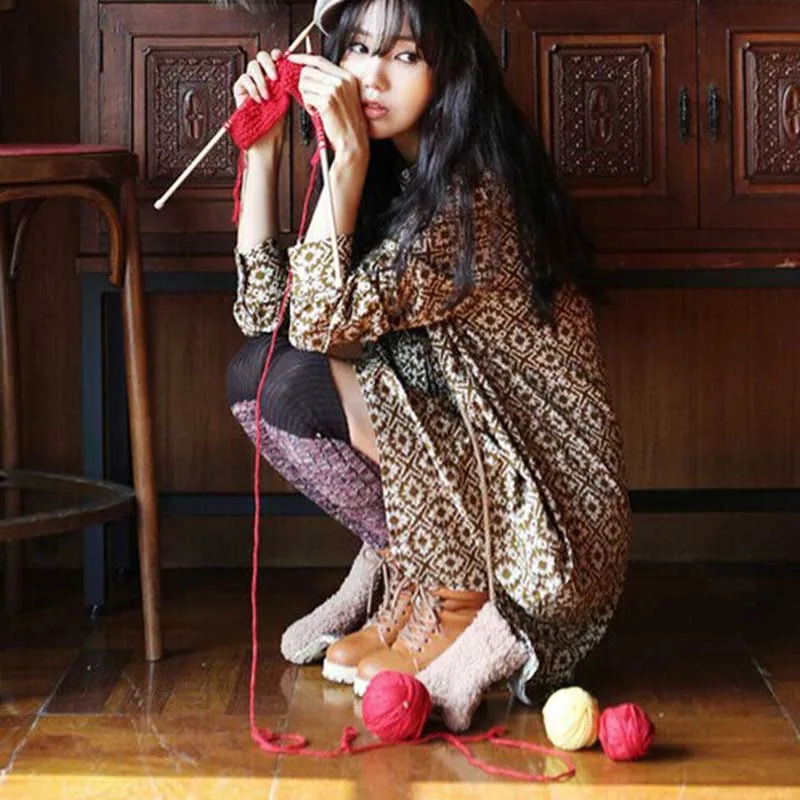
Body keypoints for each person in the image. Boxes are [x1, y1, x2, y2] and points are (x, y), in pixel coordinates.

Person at [225, 0, 631, 731]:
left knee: (294, 384)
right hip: (472, 454)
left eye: (405, 56)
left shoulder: (473, 196)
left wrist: (347, 159)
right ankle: (410, 571)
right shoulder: (396, 174)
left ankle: (459, 593)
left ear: (452, 71)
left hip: (548, 516)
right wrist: (262, 155)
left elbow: (316, 327)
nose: (371, 76)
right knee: (261, 374)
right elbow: (268, 319)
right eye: (356, 49)